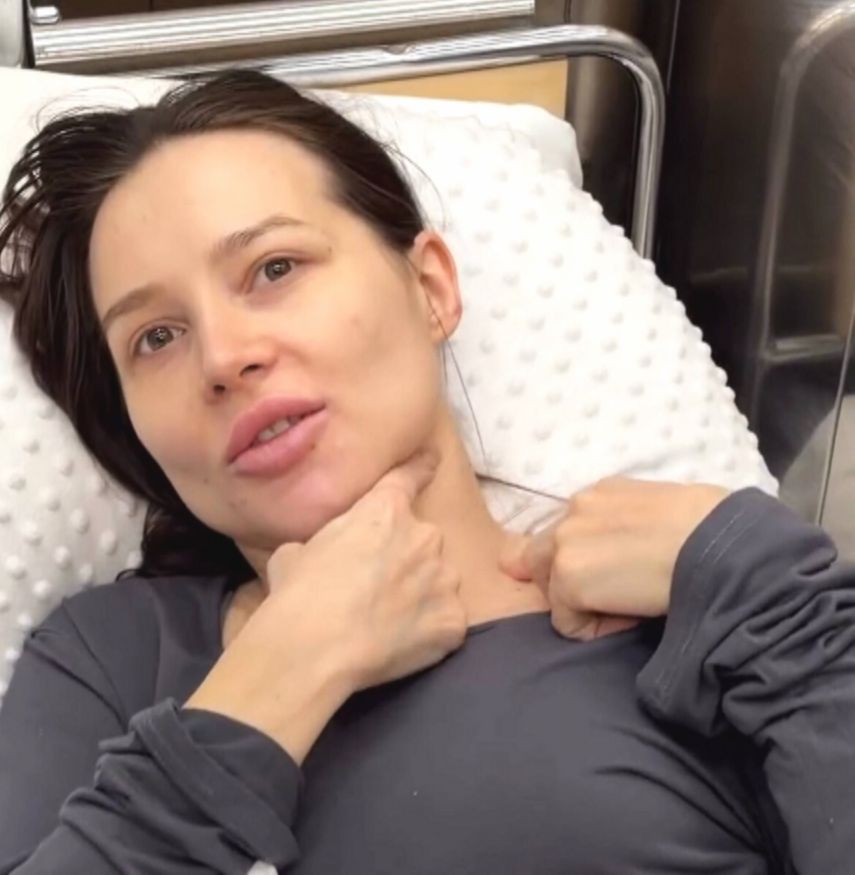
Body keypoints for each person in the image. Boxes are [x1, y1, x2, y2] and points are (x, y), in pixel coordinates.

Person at [0, 69, 852, 875]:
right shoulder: (109, 659)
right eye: (155, 337)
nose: (222, 356)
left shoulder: (699, 617)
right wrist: (286, 670)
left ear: (431, 287)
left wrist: (773, 599)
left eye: (274, 269)